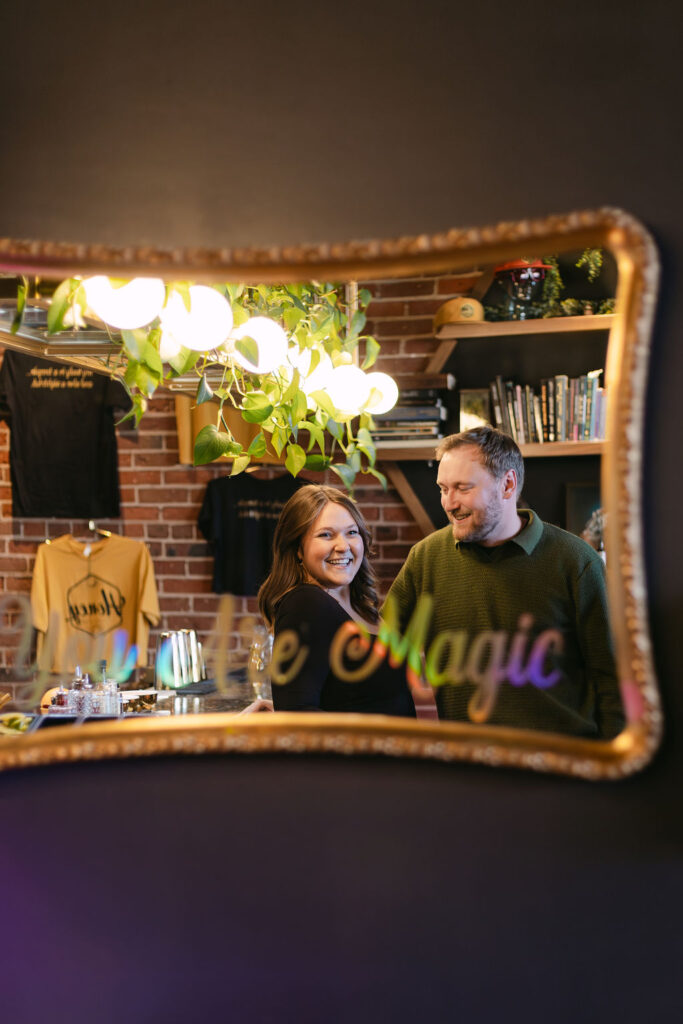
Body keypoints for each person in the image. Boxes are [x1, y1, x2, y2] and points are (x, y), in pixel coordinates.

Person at [383, 426, 624, 738]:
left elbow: (612, 678)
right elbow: (382, 653)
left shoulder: (576, 561)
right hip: (470, 767)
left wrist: (613, 767)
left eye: (462, 488)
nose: (449, 503)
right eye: (443, 488)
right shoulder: (426, 557)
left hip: (563, 764)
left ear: (507, 485)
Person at [258, 484, 416, 717]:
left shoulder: (362, 606)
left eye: (352, 533)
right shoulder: (306, 604)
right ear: (298, 548)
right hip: (361, 753)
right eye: (325, 534)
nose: (343, 546)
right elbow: (297, 716)